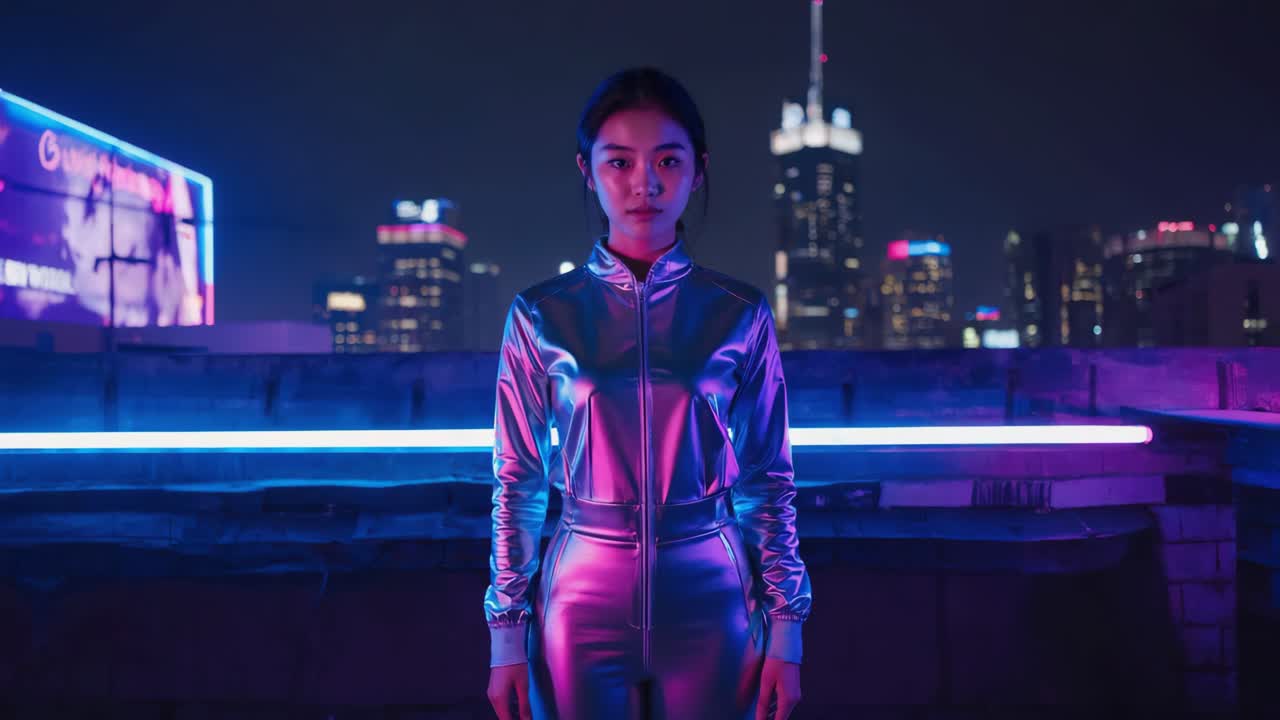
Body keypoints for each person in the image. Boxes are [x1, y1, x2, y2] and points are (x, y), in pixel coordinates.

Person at [485, 67, 812, 720]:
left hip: (713, 594)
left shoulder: (738, 311)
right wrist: (505, 634)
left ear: (698, 169)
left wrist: (787, 625)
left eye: (667, 160)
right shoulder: (542, 314)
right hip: (579, 598)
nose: (645, 184)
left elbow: (767, 477)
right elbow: (519, 480)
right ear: (587, 170)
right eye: (620, 162)